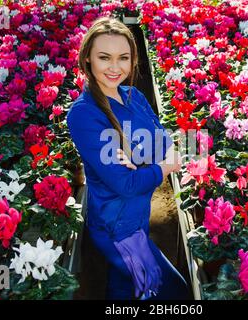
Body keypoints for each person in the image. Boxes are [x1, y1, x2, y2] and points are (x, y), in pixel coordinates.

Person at [66, 17, 189, 300]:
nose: (114, 67)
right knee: (174, 292)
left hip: (138, 218)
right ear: (87, 58)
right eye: (104, 57)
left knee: (125, 287)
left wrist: (142, 158)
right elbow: (127, 184)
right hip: (117, 229)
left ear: (133, 60)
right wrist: (163, 164)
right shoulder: (84, 114)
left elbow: (164, 143)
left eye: (123, 57)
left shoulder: (133, 95)